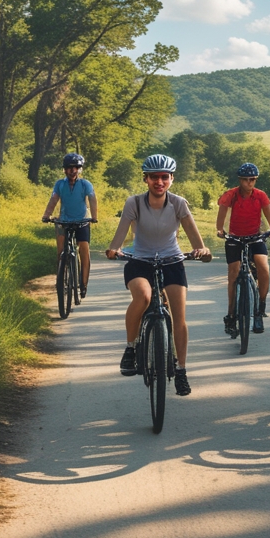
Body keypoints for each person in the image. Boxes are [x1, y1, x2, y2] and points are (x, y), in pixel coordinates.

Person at [105, 154, 212, 396]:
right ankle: (131, 348)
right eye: (154, 177)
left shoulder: (179, 203)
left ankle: (181, 370)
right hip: (140, 260)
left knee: (179, 314)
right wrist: (114, 249)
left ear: (172, 179)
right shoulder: (134, 203)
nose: (159, 182)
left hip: (172, 261)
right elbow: (120, 235)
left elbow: (196, 239)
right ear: (146, 179)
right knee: (143, 297)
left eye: (165, 177)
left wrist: (202, 250)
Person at [215, 162, 270, 335]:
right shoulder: (231, 195)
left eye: (252, 179)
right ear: (240, 180)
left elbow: (269, 214)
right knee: (233, 272)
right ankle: (231, 314)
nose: (249, 183)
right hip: (234, 237)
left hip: (255, 236)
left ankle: (260, 308)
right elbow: (221, 218)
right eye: (245, 180)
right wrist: (220, 230)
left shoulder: (260, 196)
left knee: (263, 266)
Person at [41, 153, 98, 295]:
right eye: (69, 168)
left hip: (82, 220)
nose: (73, 171)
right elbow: (54, 199)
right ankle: (61, 280)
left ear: (80, 170)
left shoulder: (86, 184)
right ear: (65, 170)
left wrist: (94, 217)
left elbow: (92, 199)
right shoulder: (60, 184)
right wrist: (46, 215)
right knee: (60, 251)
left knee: (84, 249)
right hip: (64, 220)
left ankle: (83, 284)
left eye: (76, 168)